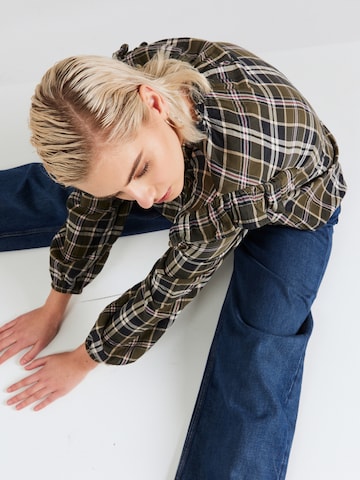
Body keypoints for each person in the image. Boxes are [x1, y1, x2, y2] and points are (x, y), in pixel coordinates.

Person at [0, 38, 346, 479]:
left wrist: (86, 357)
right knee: (78, 184)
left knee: (260, 346)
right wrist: (56, 301)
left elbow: (167, 290)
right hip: (195, 162)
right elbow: (92, 210)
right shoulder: (118, 90)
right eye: (125, 188)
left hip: (292, 200)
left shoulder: (230, 179)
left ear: (155, 103)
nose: (142, 200)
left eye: (140, 170)